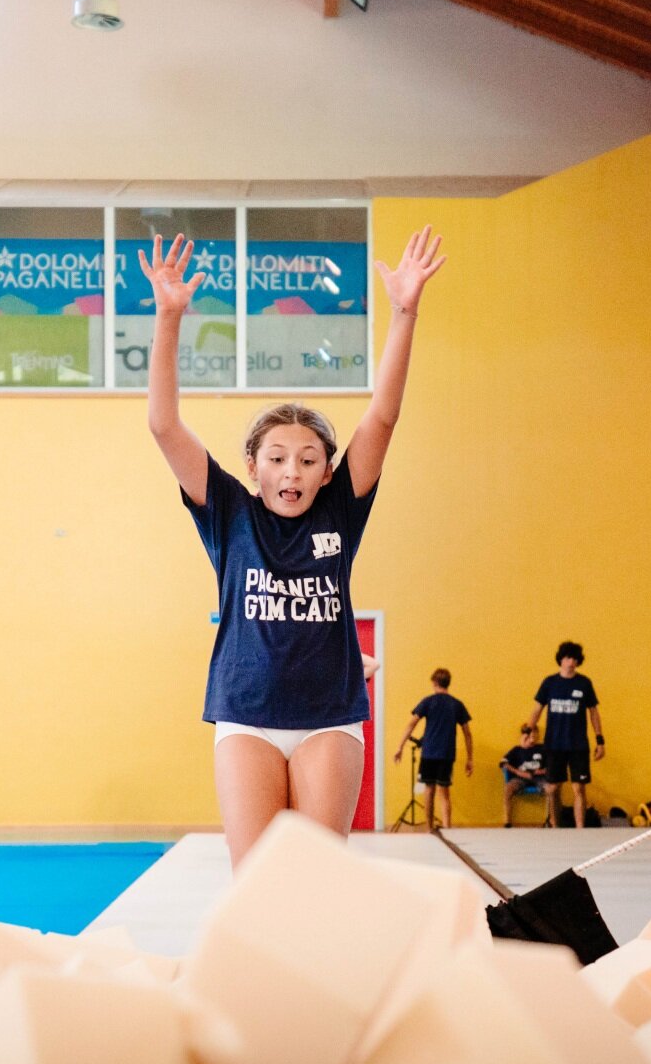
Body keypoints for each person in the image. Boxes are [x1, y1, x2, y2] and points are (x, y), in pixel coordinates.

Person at [145, 226, 447, 869]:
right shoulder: (227, 511)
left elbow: (383, 418)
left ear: (328, 471)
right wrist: (169, 318)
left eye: (308, 460)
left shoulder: (341, 505)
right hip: (246, 716)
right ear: (252, 466)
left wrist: (404, 311)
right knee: (253, 879)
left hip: (327, 718)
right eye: (277, 458)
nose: (292, 472)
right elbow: (164, 425)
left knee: (314, 878)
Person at [523, 640, 605, 829]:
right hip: (554, 744)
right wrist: (527, 731)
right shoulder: (549, 683)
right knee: (552, 788)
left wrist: (600, 740)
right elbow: (537, 709)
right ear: (561, 660)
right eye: (568, 658)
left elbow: (594, 712)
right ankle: (554, 825)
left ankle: (579, 828)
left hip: (578, 745)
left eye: (575, 659)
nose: (571, 662)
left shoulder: (584, 683)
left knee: (579, 787)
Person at [393, 668, 473, 830]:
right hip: (447, 753)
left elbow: (411, 724)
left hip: (429, 752)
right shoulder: (456, 704)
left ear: (434, 683)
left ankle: (430, 829)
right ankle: (447, 828)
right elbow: (467, 734)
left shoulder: (428, 702)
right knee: (444, 792)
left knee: (429, 790)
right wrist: (470, 758)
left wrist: (399, 746)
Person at [499, 723, 551, 827]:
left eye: (534, 733)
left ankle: (549, 820)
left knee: (551, 790)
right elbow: (503, 763)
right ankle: (507, 822)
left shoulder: (543, 748)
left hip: (539, 777)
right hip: (521, 778)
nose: (532, 736)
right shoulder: (517, 750)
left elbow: (553, 764)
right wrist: (518, 772)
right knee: (508, 789)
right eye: (529, 733)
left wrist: (542, 771)